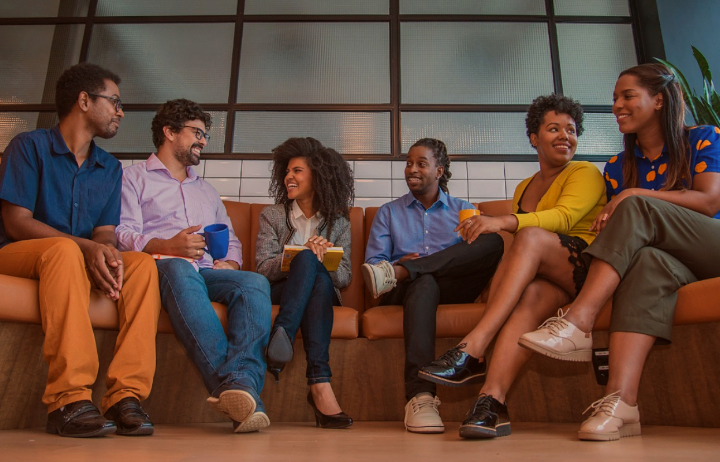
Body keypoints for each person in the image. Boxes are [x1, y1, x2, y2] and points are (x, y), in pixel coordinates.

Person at [519, 63, 720, 441]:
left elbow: (709, 202)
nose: (616, 106)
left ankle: (579, 322)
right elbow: (624, 235)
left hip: (711, 246)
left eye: (627, 96)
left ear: (658, 100)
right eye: (614, 99)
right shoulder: (618, 167)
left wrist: (634, 194)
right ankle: (622, 403)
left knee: (634, 205)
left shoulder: (703, 138)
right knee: (647, 264)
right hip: (668, 261)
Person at [418, 95, 606, 439]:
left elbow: (563, 219)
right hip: (549, 276)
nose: (566, 135)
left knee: (531, 236)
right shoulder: (524, 186)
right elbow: (517, 253)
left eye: (572, 129)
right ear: (534, 138)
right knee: (530, 296)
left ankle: (474, 348)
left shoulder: (586, 172)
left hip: (587, 267)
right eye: (554, 128)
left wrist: (502, 220)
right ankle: (492, 403)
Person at [0, 63, 161, 437]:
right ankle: (68, 399)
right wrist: (86, 247)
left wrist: (104, 254)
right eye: (115, 102)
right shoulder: (30, 146)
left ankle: (125, 396)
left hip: (74, 257)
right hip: (18, 254)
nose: (121, 112)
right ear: (84, 101)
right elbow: (16, 221)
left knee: (140, 265)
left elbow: (105, 232)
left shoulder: (110, 167)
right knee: (62, 250)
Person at [116, 99, 272, 433]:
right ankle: (236, 392)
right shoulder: (133, 178)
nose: (202, 140)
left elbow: (229, 239)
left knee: (254, 284)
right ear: (169, 132)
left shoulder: (207, 191)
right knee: (179, 268)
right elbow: (121, 233)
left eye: (205, 135)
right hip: (157, 269)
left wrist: (229, 262)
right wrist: (166, 245)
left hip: (204, 272)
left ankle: (241, 384)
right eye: (196, 132)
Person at [362, 138, 504, 433]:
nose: (412, 169)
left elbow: (473, 257)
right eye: (409, 163)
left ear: (439, 170)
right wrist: (398, 265)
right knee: (423, 282)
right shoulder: (388, 213)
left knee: (493, 239)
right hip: (402, 292)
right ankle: (421, 395)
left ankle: (409, 271)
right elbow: (376, 268)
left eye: (421, 164)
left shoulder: (463, 210)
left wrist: (407, 267)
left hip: (452, 286)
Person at [255, 137, 354, 429]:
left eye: (297, 171)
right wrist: (299, 256)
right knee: (308, 260)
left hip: (320, 292)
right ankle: (320, 385)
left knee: (320, 276)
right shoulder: (272, 215)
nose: (289, 177)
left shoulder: (340, 222)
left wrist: (323, 258)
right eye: (286, 171)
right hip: (283, 291)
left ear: (318, 176)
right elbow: (262, 268)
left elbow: (345, 277)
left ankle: (282, 333)